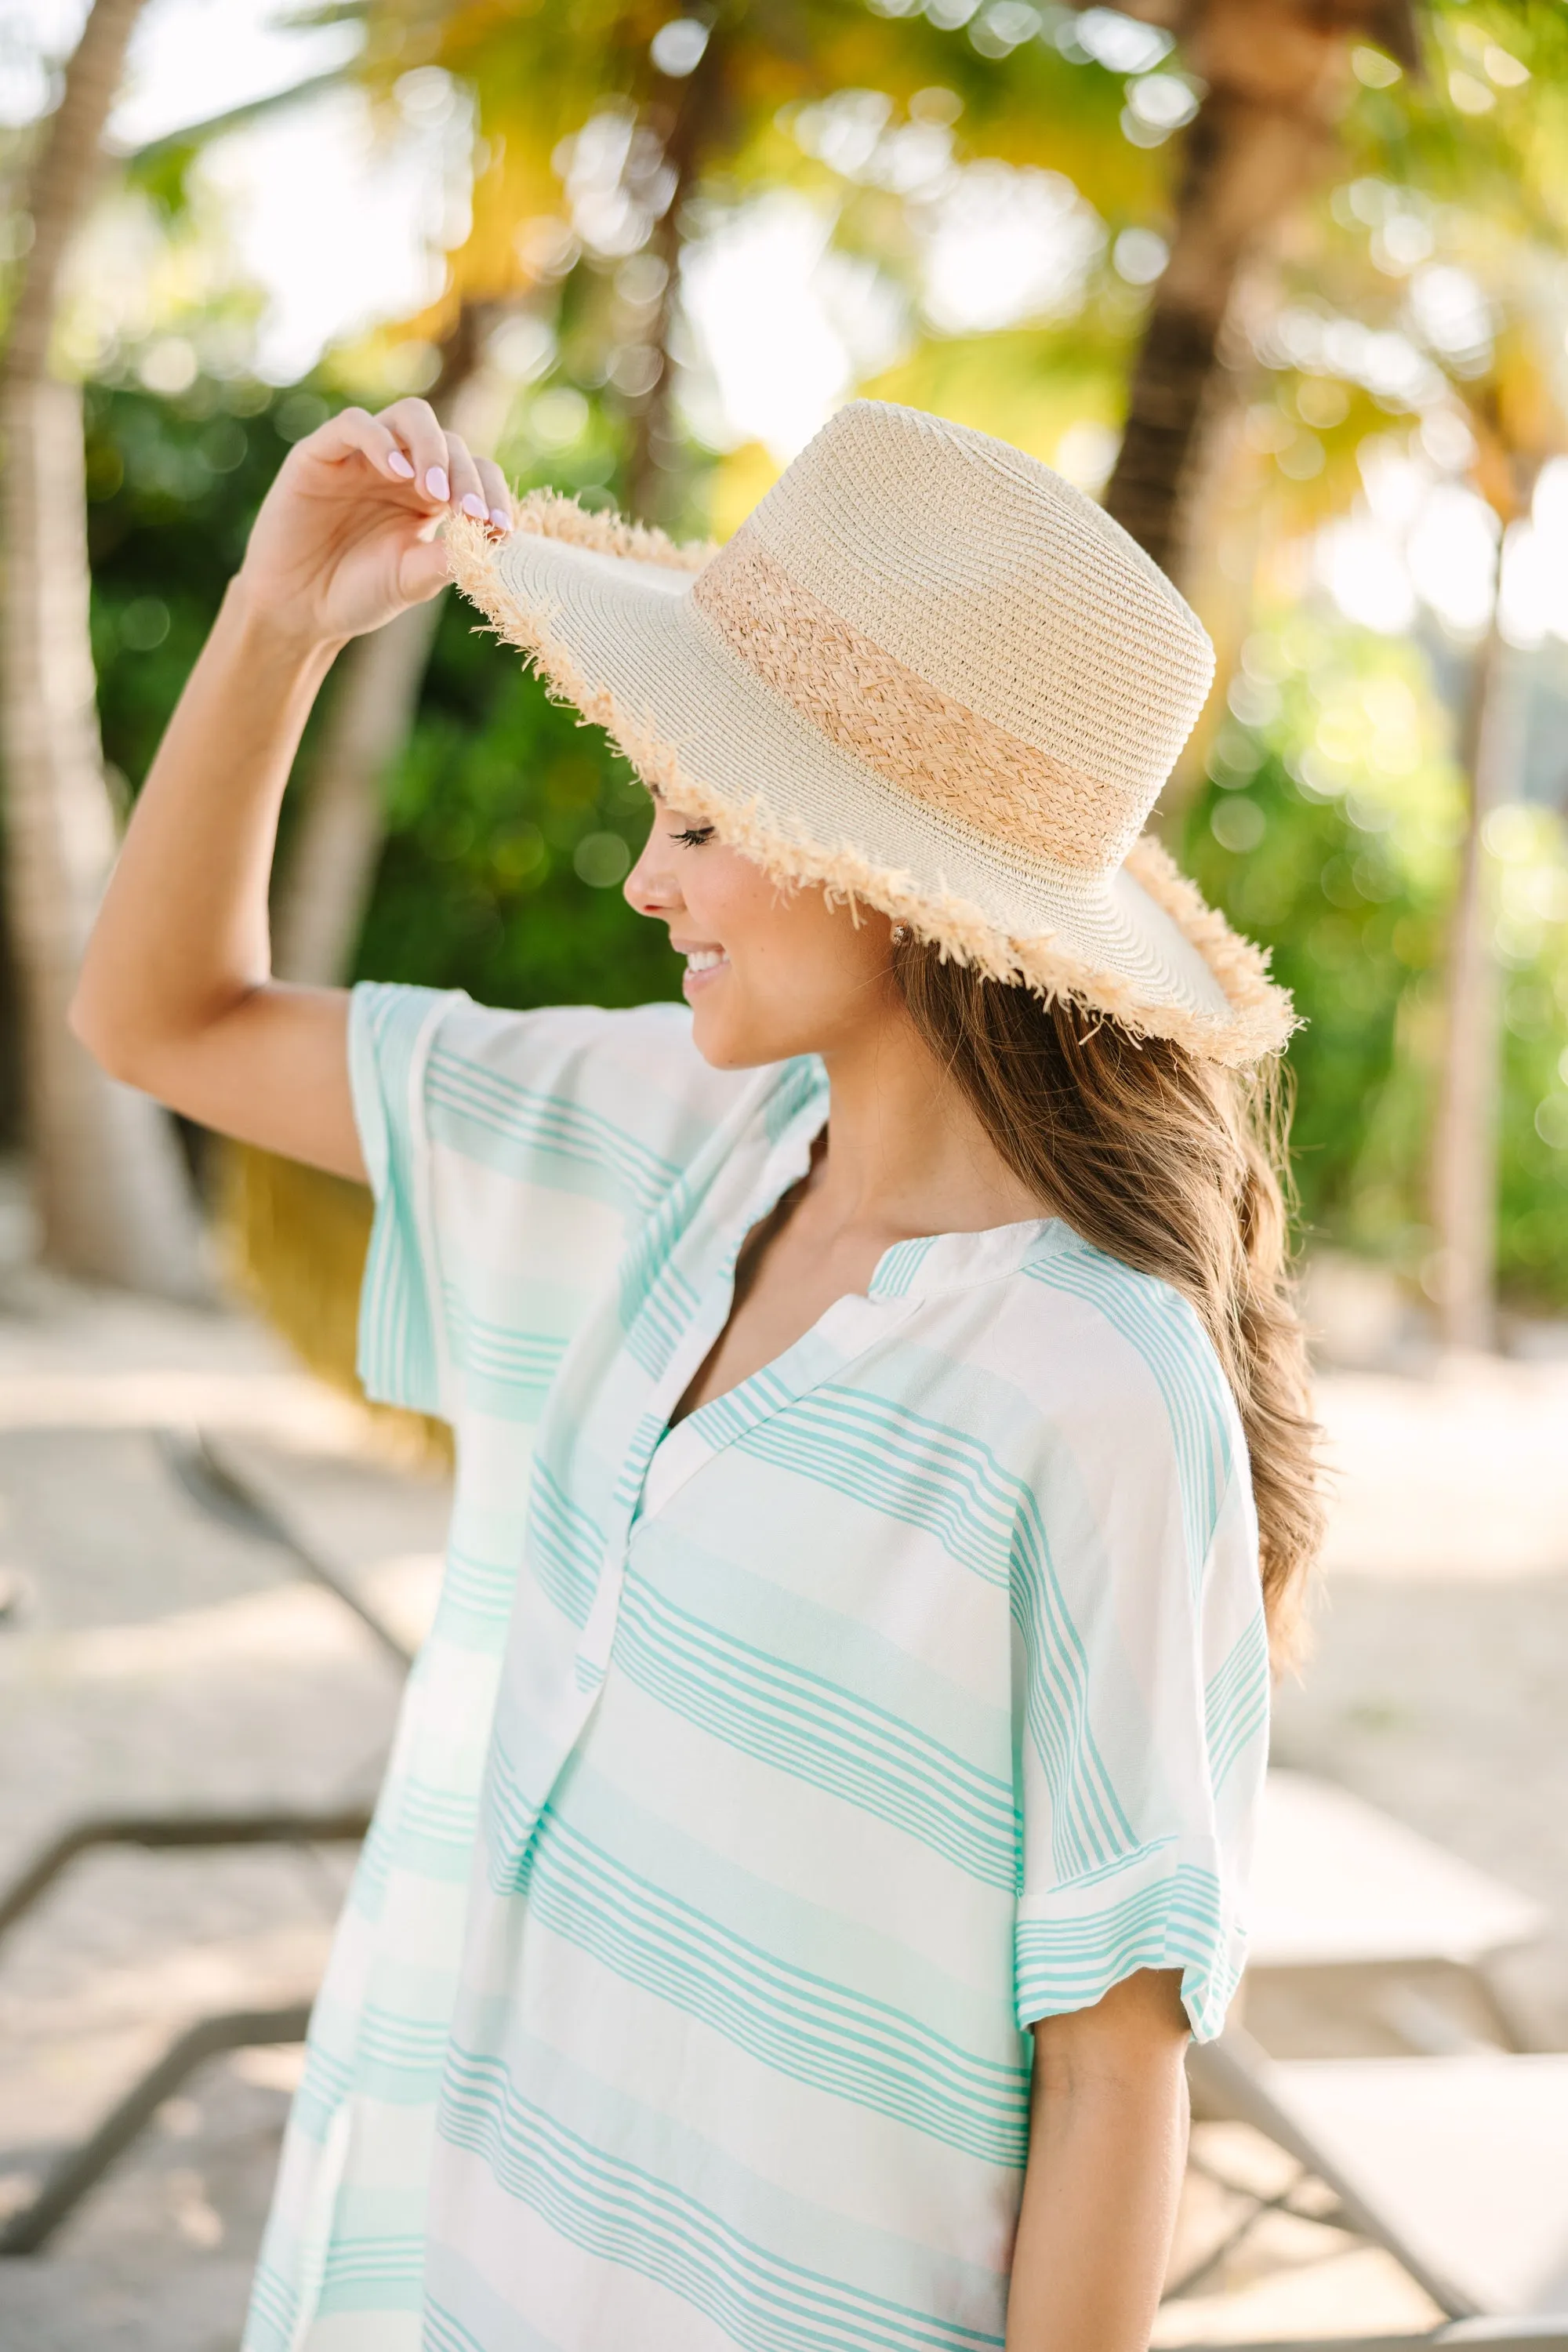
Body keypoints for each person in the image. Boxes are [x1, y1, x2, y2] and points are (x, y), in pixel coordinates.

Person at [73, 393, 1321, 2352]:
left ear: (892, 876)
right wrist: (276, 624)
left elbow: (1112, 2075)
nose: (649, 882)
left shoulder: (1092, 1386)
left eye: (704, 818)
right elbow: (161, 1019)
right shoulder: (661, 1137)